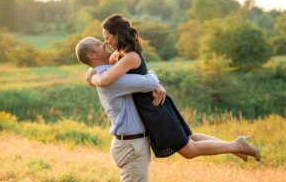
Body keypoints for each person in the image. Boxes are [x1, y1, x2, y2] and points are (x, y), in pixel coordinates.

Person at [86, 14, 261, 163]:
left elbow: (105, 79)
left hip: (153, 107)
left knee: (189, 151)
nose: (105, 42)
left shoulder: (130, 56)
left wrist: (92, 78)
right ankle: (234, 146)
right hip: (154, 106)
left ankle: (237, 145)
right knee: (190, 140)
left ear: (118, 34)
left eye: (107, 36)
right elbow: (103, 65)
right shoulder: (121, 54)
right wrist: (91, 70)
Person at [75, 36, 163, 182]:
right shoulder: (110, 80)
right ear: (92, 55)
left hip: (131, 144)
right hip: (131, 146)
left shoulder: (105, 75)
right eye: (99, 44)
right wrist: (157, 82)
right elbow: (149, 81)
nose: (105, 44)